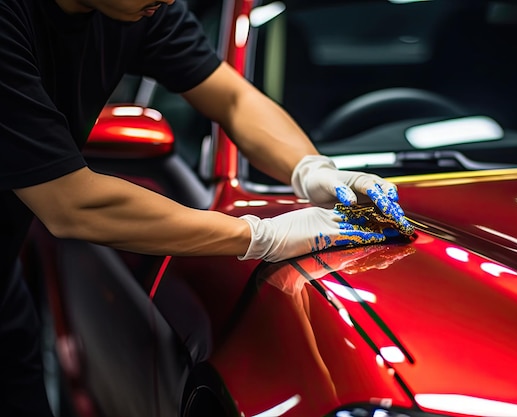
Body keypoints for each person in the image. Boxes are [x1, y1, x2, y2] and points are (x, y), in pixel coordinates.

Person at [0, 0, 414, 415]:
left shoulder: (141, 8)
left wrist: (313, 170)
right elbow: (69, 201)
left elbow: (232, 98)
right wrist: (261, 235)